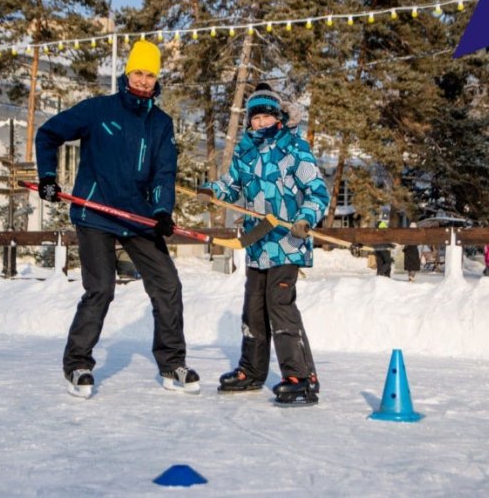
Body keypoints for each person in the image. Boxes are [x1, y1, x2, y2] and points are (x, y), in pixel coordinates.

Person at [34, 40, 199, 398]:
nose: (143, 80)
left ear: (157, 79)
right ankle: (77, 363)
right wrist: (48, 177)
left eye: (150, 74)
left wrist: (161, 211)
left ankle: (173, 363)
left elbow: (164, 173)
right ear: (127, 73)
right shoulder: (99, 110)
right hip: (95, 212)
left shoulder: (161, 124)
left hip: (137, 216)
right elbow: (47, 135)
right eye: (138, 72)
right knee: (101, 289)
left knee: (167, 284)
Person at [197, 83, 330, 405]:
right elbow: (232, 186)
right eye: (255, 117)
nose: (261, 123)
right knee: (253, 311)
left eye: (267, 116)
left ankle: (300, 376)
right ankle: (251, 371)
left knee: (279, 306)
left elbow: (318, 191)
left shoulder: (294, 149)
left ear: (279, 118)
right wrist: (212, 191)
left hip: (287, 242)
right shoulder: (246, 152)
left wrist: (305, 219)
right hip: (258, 246)